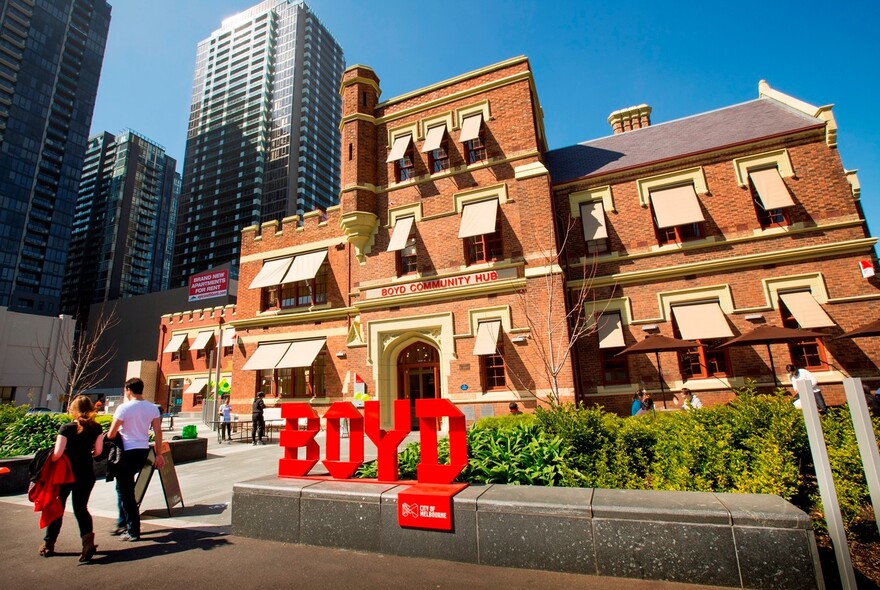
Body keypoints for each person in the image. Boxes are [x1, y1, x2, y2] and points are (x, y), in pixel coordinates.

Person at [38, 395, 103, 561]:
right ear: (90, 409)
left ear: (73, 410)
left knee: (58, 507)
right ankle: (88, 543)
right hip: (86, 473)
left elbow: (57, 454)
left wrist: (47, 461)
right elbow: (98, 452)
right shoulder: (96, 428)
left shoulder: (66, 428)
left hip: (65, 474)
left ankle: (49, 544)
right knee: (81, 508)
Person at [108, 377, 163, 542]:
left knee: (126, 493)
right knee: (123, 488)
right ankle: (122, 522)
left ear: (128, 390)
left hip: (126, 452)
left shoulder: (123, 408)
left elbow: (111, 434)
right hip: (143, 451)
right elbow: (158, 432)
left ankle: (132, 530)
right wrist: (159, 454)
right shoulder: (152, 408)